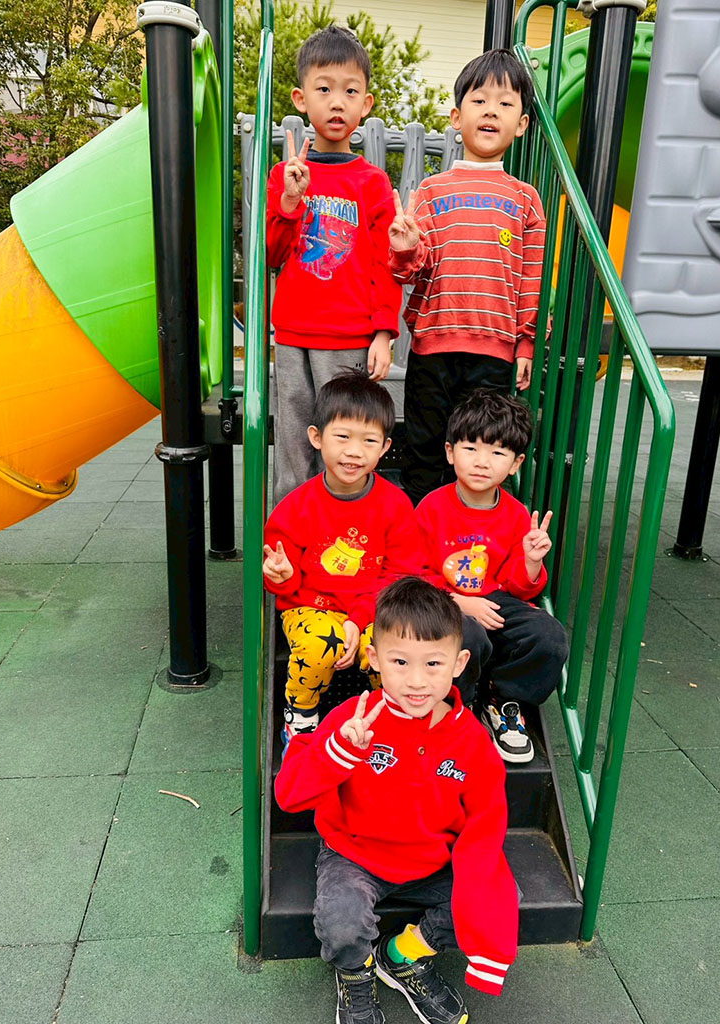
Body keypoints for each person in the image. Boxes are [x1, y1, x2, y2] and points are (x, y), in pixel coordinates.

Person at [275, 576, 518, 1024]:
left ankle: (402, 954)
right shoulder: (353, 718)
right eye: (400, 661)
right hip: (354, 855)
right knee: (342, 922)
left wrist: (487, 931)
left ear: (459, 663)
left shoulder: (473, 742)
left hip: (431, 860)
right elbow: (289, 795)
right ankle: (355, 975)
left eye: (433, 663)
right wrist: (339, 753)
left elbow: (485, 826)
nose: (416, 681)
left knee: (498, 896)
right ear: (374, 658)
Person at [388, 49, 546, 507]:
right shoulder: (432, 191)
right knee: (424, 447)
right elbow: (410, 270)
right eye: (479, 101)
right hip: (433, 347)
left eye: (505, 103)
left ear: (521, 124)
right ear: (457, 118)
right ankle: (420, 535)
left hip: (494, 352)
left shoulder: (526, 199)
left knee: (480, 450)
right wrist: (405, 247)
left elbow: (530, 278)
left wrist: (526, 344)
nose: (491, 111)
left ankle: (472, 536)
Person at [267, 25, 403, 505]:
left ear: (366, 104)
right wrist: (290, 201)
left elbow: (385, 264)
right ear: (301, 99)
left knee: (345, 441)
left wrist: (384, 333)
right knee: (293, 441)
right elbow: (272, 254)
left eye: (350, 91)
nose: (337, 102)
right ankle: (285, 539)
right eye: (324, 90)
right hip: (293, 334)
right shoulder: (286, 175)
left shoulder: (372, 183)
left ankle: (343, 531)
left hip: (348, 337)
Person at [263, 370, 423, 746]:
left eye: (369, 440)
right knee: (321, 645)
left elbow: (400, 575)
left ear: (385, 447)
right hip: (311, 606)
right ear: (316, 437)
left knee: (398, 644)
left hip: (373, 607)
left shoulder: (395, 505)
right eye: (343, 437)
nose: (354, 451)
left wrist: (358, 619)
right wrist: (281, 575)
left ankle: (394, 713)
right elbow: (283, 580)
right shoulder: (296, 508)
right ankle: (301, 714)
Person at [416, 389, 569, 764]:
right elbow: (414, 573)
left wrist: (531, 561)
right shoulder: (431, 508)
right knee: (466, 635)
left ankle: (503, 700)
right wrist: (457, 601)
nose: (482, 462)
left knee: (549, 636)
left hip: (497, 601)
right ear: (450, 452)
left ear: (516, 464)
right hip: (444, 600)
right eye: (471, 449)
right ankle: (457, 708)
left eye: (498, 453)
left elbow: (519, 588)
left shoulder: (516, 514)